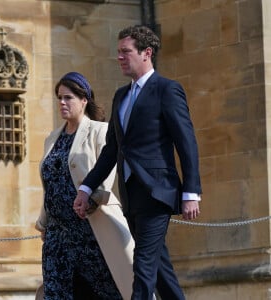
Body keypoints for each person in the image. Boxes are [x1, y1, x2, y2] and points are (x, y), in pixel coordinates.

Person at [73, 25, 202, 300]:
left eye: (125, 52)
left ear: (147, 53)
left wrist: (191, 192)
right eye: (118, 52)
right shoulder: (120, 95)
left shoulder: (167, 90)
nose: (119, 57)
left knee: (142, 266)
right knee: (159, 268)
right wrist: (86, 189)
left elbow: (186, 143)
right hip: (131, 194)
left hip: (158, 192)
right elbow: (111, 151)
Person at [35, 71, 135, 300]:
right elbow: (48, 184)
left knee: (105, 292)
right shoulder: (52, 138)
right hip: (57, 235)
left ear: (84, 100)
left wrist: (93, 197)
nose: (62, 103)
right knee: (57, 294)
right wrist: (43, 222)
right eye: (59, 97)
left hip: (90, 229)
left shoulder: (100, 131)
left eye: (68, 97)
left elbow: (108, 170)